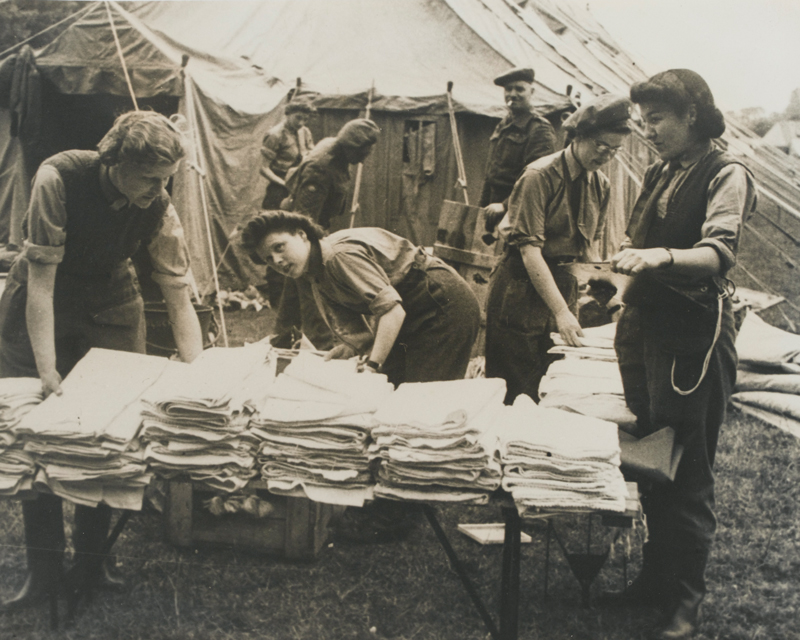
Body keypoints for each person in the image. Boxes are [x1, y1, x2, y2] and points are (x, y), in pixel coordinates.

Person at [0, 110, 204, 611]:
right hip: (42, 302)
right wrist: (47, 370)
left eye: (166, 179)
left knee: (106, 430)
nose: (160, 189)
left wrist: (201, 376)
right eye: (151, 178)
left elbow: (178, 292)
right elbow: (42, 287)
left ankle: (94, 561)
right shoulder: (57, 178)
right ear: (116, 162)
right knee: (39, 433)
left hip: (111, 303)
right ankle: (43, 570)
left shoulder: (158, 204)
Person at [606, 70, 757, 640]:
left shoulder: (727, 173)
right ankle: (656, 577)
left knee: (687, 468)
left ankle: (686, 604)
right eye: (643, 121)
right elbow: (635, 245)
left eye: (658, 119)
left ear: (692, 114)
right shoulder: (661, 169)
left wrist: (659, 258)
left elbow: (718, 254)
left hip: (692, 340)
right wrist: (615, 288)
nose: (648, 132)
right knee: (651, 458)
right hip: (645, 333)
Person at [485, 94, 633, 403]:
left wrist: (612, 298)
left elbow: (590, 253)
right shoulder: (539, 176)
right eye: (600, 147)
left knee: (553, 387)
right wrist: (562, 312)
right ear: (579, 137)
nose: (605, 156)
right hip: (521, 288)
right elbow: (529, 252)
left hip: (563, 288)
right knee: (514, 391)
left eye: (614, 151)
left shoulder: (600, 186)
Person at [241, 210, 480, 386]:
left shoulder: (337, 256)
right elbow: (360, 331)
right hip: (410, 309)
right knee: (389, 389)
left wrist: (372, 366)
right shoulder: (314, 273)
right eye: (269, 260)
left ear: (302, 235)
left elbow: (392, 311)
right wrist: (350, 348)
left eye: (279, 248)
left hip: (441, 302)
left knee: (422, 397)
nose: (277, 262)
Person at [275, 118, 381, 351]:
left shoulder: (336, 152)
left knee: (292, 299)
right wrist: (317, 248)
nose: (365, 158)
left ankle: (279, 344)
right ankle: (320, 351)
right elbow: (304, 217)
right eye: (363, 152)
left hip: (308, 232)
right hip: (304, 239)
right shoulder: (322, 167)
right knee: (314, 297)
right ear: (351, 147)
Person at [480, 66, 557, 235]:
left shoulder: (539, 129)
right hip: (494, 212)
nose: (513, 94)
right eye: (508, 89)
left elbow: (537, 180)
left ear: (532, 92)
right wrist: (482, 208)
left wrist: (505, 206)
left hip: (521, 215)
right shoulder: (503, 125)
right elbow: (491, 174)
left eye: (519, 89)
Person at [259, 98, 316, 307]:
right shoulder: (275, 134)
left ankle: (297, 300)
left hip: (297, 187)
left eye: (305, 118)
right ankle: (277, 300)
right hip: (278, 188)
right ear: (288, 114)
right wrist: (284, 184)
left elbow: (309, 156)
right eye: (298, 117)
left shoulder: (304, 133)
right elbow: (263, 168)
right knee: (276, 239)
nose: (301, 122)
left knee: (297, 239)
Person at [281, 118, 380, 230]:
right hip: (298, 228)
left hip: (316, 223)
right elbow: (304, 221)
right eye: (361, 155)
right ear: (349, 147)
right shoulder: (320, 170)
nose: (361, 161)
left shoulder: (334, 145)